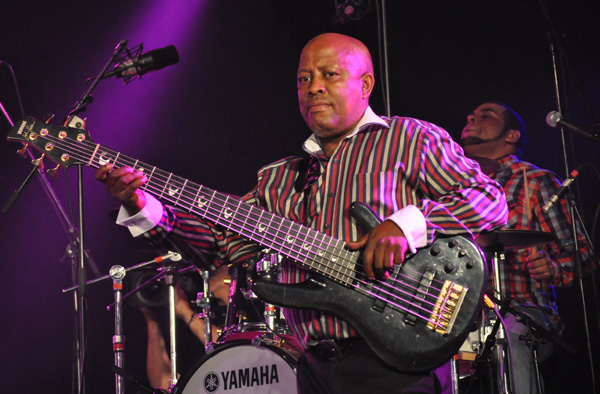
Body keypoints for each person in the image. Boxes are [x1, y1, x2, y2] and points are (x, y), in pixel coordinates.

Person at [96, 33, 508, 394]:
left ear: (365, 85)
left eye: (329, 75)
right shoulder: (278, 178)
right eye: (304, 79)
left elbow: (489, 201)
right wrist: (140, 204)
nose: (314, 88)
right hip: (312, 364)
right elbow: (216, 246)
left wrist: (405, 224)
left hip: (394, 356)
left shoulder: (410, 138)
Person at [460, 102, 591, 394]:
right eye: (472, 115)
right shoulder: (458, 189)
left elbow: (584, 253)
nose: (472, 117)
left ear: (512, 136)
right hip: (464, 318)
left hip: (523, 313)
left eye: (486, 116)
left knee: (508, 335)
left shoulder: (535, 181)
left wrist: (554, 269)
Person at [140, 265, 230, 391]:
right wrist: (152, 319)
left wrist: (185, 311)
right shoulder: (193, 305)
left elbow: (232, 353)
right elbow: (161, 383)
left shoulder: (252, 303)